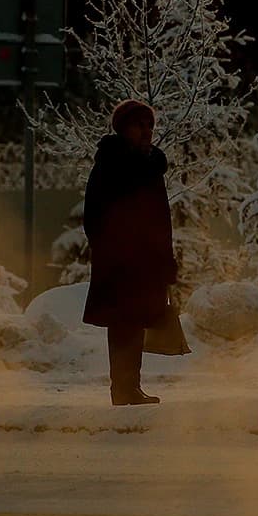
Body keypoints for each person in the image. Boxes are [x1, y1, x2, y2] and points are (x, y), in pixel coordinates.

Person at [82, 100, 177, 406]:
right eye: (140, 125)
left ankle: (129, 387)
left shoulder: (149, 166)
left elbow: (160, 220)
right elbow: (94, 216)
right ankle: (122, 389)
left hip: (147, 261)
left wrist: (165, 259)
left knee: (135, 322)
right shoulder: (111, 164)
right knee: (124, 323)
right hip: (121, 262)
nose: (147, 131)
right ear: (123, 128)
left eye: (149, 125)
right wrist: (116, 251)